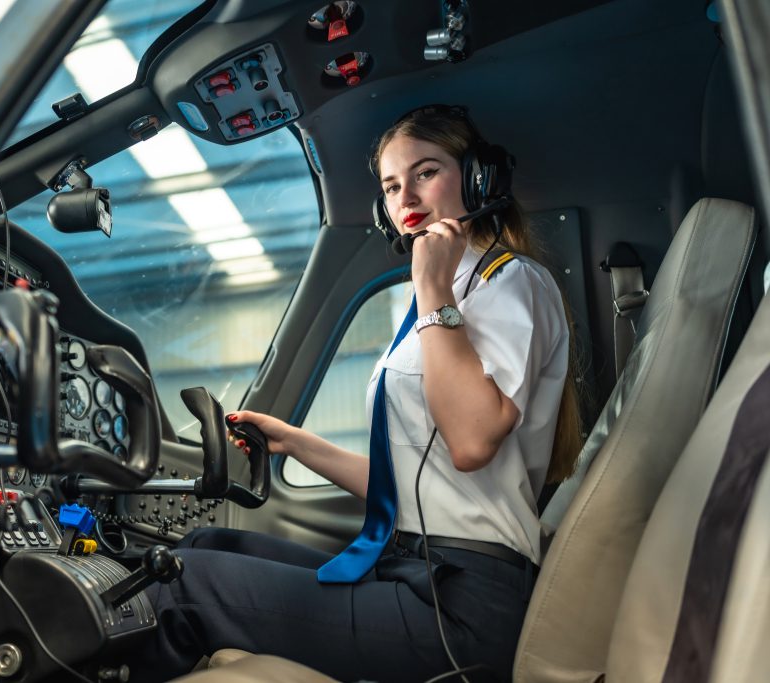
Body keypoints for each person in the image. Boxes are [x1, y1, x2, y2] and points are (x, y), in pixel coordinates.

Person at [136, 105, 582, 683]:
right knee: (205, 543)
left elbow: (471, 443)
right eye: (392, 186)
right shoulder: (443, 299)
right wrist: (295, 443)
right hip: (416, 566)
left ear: (478, 178)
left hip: (464, 606)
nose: (405, 198)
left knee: (182, 584)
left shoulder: (508, 281)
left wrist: (431, 286)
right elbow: (412, 485)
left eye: (425, 173)